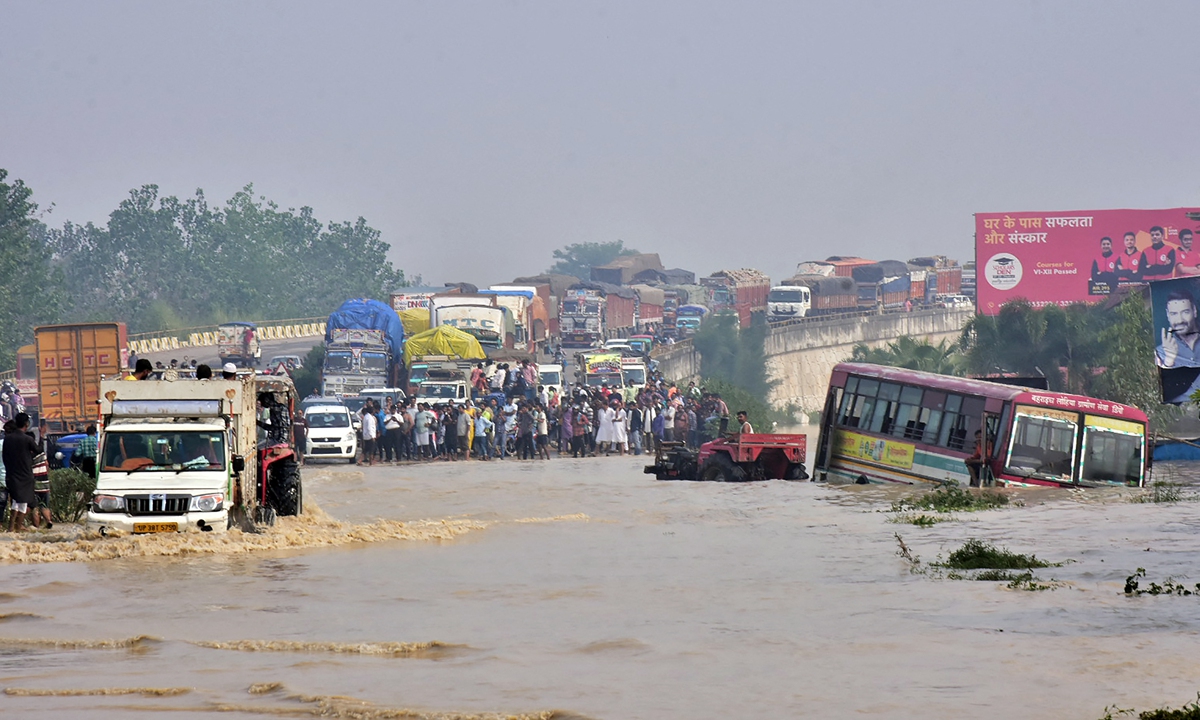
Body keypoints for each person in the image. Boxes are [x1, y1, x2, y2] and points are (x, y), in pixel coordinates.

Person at [2, 413, 38, 532]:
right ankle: (18, 526)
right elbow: (38, 450)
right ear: (26, 424)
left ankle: (11, 527)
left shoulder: (8, 439)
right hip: (25, 475)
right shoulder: (27, 439)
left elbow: (5, 458)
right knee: (23, 502)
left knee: (15, 501)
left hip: (12, 474)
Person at [1156, 290, 1200, 368]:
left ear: (1194, 311)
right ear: (1168, 315)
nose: (1180, 320)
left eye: (1185, 312)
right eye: (1174, 314)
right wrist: (1168, 362)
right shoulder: (1160, 353)